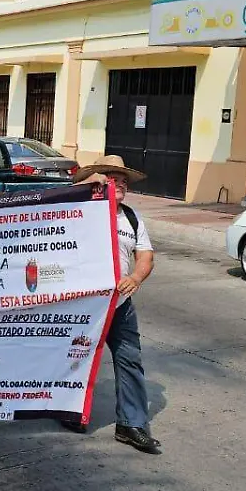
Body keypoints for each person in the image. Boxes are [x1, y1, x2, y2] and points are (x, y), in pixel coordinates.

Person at [64, 155, 160, 455]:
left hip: (120, 305)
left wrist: (135, 277)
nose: (119, 184)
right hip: (85, 305)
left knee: (129, 360)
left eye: (123, 180)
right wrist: (94, 181)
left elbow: (146, 256)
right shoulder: (82, 210)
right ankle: (70, 411)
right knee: (76, 358)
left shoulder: (131, 218)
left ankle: (131, 424)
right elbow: (69, 189)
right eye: (112, 178)